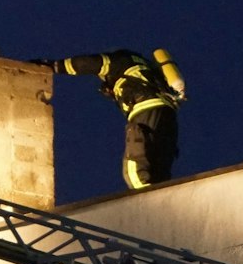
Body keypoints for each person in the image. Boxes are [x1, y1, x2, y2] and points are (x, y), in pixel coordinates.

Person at [35, 49, 185, 190]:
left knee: (135, 166)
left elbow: (87, 63)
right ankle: (163, 198)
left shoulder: (119, 60)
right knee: (159, 164)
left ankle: (145, 202)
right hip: (168, 115)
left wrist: (54, 66)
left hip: (145, 109)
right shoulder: (146, 68)